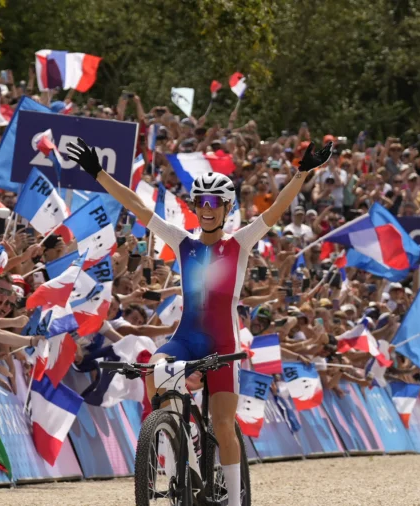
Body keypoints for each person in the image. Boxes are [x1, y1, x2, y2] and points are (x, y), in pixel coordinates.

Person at [67, 136, 332, 506]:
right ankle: (173, 436)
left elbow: (275, 213)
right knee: (151, 371)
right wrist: (98, 173)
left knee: (224, 425)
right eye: (201, 203)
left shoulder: (239, 243)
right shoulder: (183, 242)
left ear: (225, 209)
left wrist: (303, 173)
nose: (206, 209)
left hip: (224, 343)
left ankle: (235, 500)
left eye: (214, 203)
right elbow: (136, 205)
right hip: (186, 338)